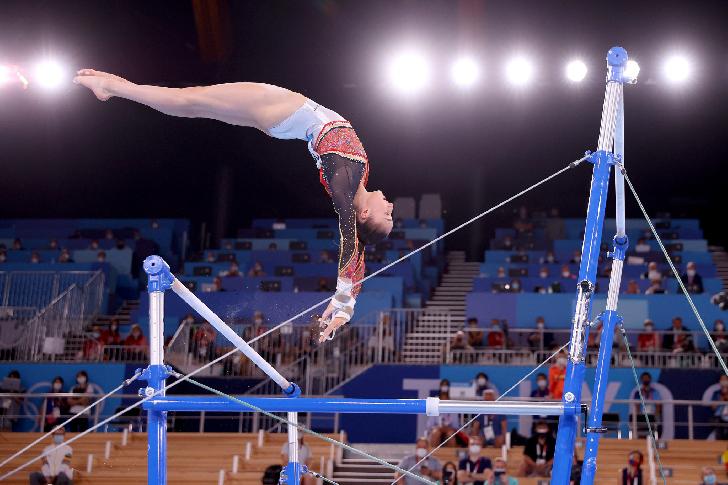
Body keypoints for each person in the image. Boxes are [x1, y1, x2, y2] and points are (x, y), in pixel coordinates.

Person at [75, 71, 394, 344]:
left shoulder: (345, 181)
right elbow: (358, 248)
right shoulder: (356, 180)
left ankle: (113, 87)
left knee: (192, 100)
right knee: (194, 105)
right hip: (283, 121)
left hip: (286, 110)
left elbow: (350, 237)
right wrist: (345, 305)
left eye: (387, 214)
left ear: (364, 214)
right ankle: (118, 87)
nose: (391, 205)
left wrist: (341, 294)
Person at [630, 372, 662, 438]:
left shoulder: (655, 392)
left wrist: (656, 416)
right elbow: (637, 406)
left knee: (657, 422)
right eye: (644, 378)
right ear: (641, 380)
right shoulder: (637, 393)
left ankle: (654, 440)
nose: (646, 379)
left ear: (650, 379)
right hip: (642, 416)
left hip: (652, 416)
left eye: (647, 378)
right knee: (635, 419)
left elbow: (658, 406)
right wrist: (639, 415)